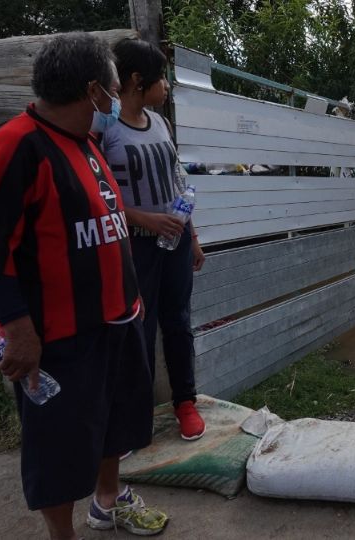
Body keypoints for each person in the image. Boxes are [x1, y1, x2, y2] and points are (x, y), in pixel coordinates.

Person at [0, 33, 168, 539]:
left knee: (116, 425)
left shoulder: (87, 142)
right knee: (59, 447)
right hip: (61, 337)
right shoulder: (14, 146)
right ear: (93, 91)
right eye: (114, 86)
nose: (118, 96)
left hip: (118, 318)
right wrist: (20, 330)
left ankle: (108, 502)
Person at [99, 38, 206, 441]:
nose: (166, 89)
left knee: (178, 323)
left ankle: (185, 403)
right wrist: (147, 219)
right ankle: (134, 418)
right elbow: (99, 199)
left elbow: (179, 183)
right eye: (161, 80)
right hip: (136, 247)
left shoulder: (159, 123)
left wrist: (191, 235)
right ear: (136, 80)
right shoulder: (107, 131)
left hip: (175, 243)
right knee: (137, 331)